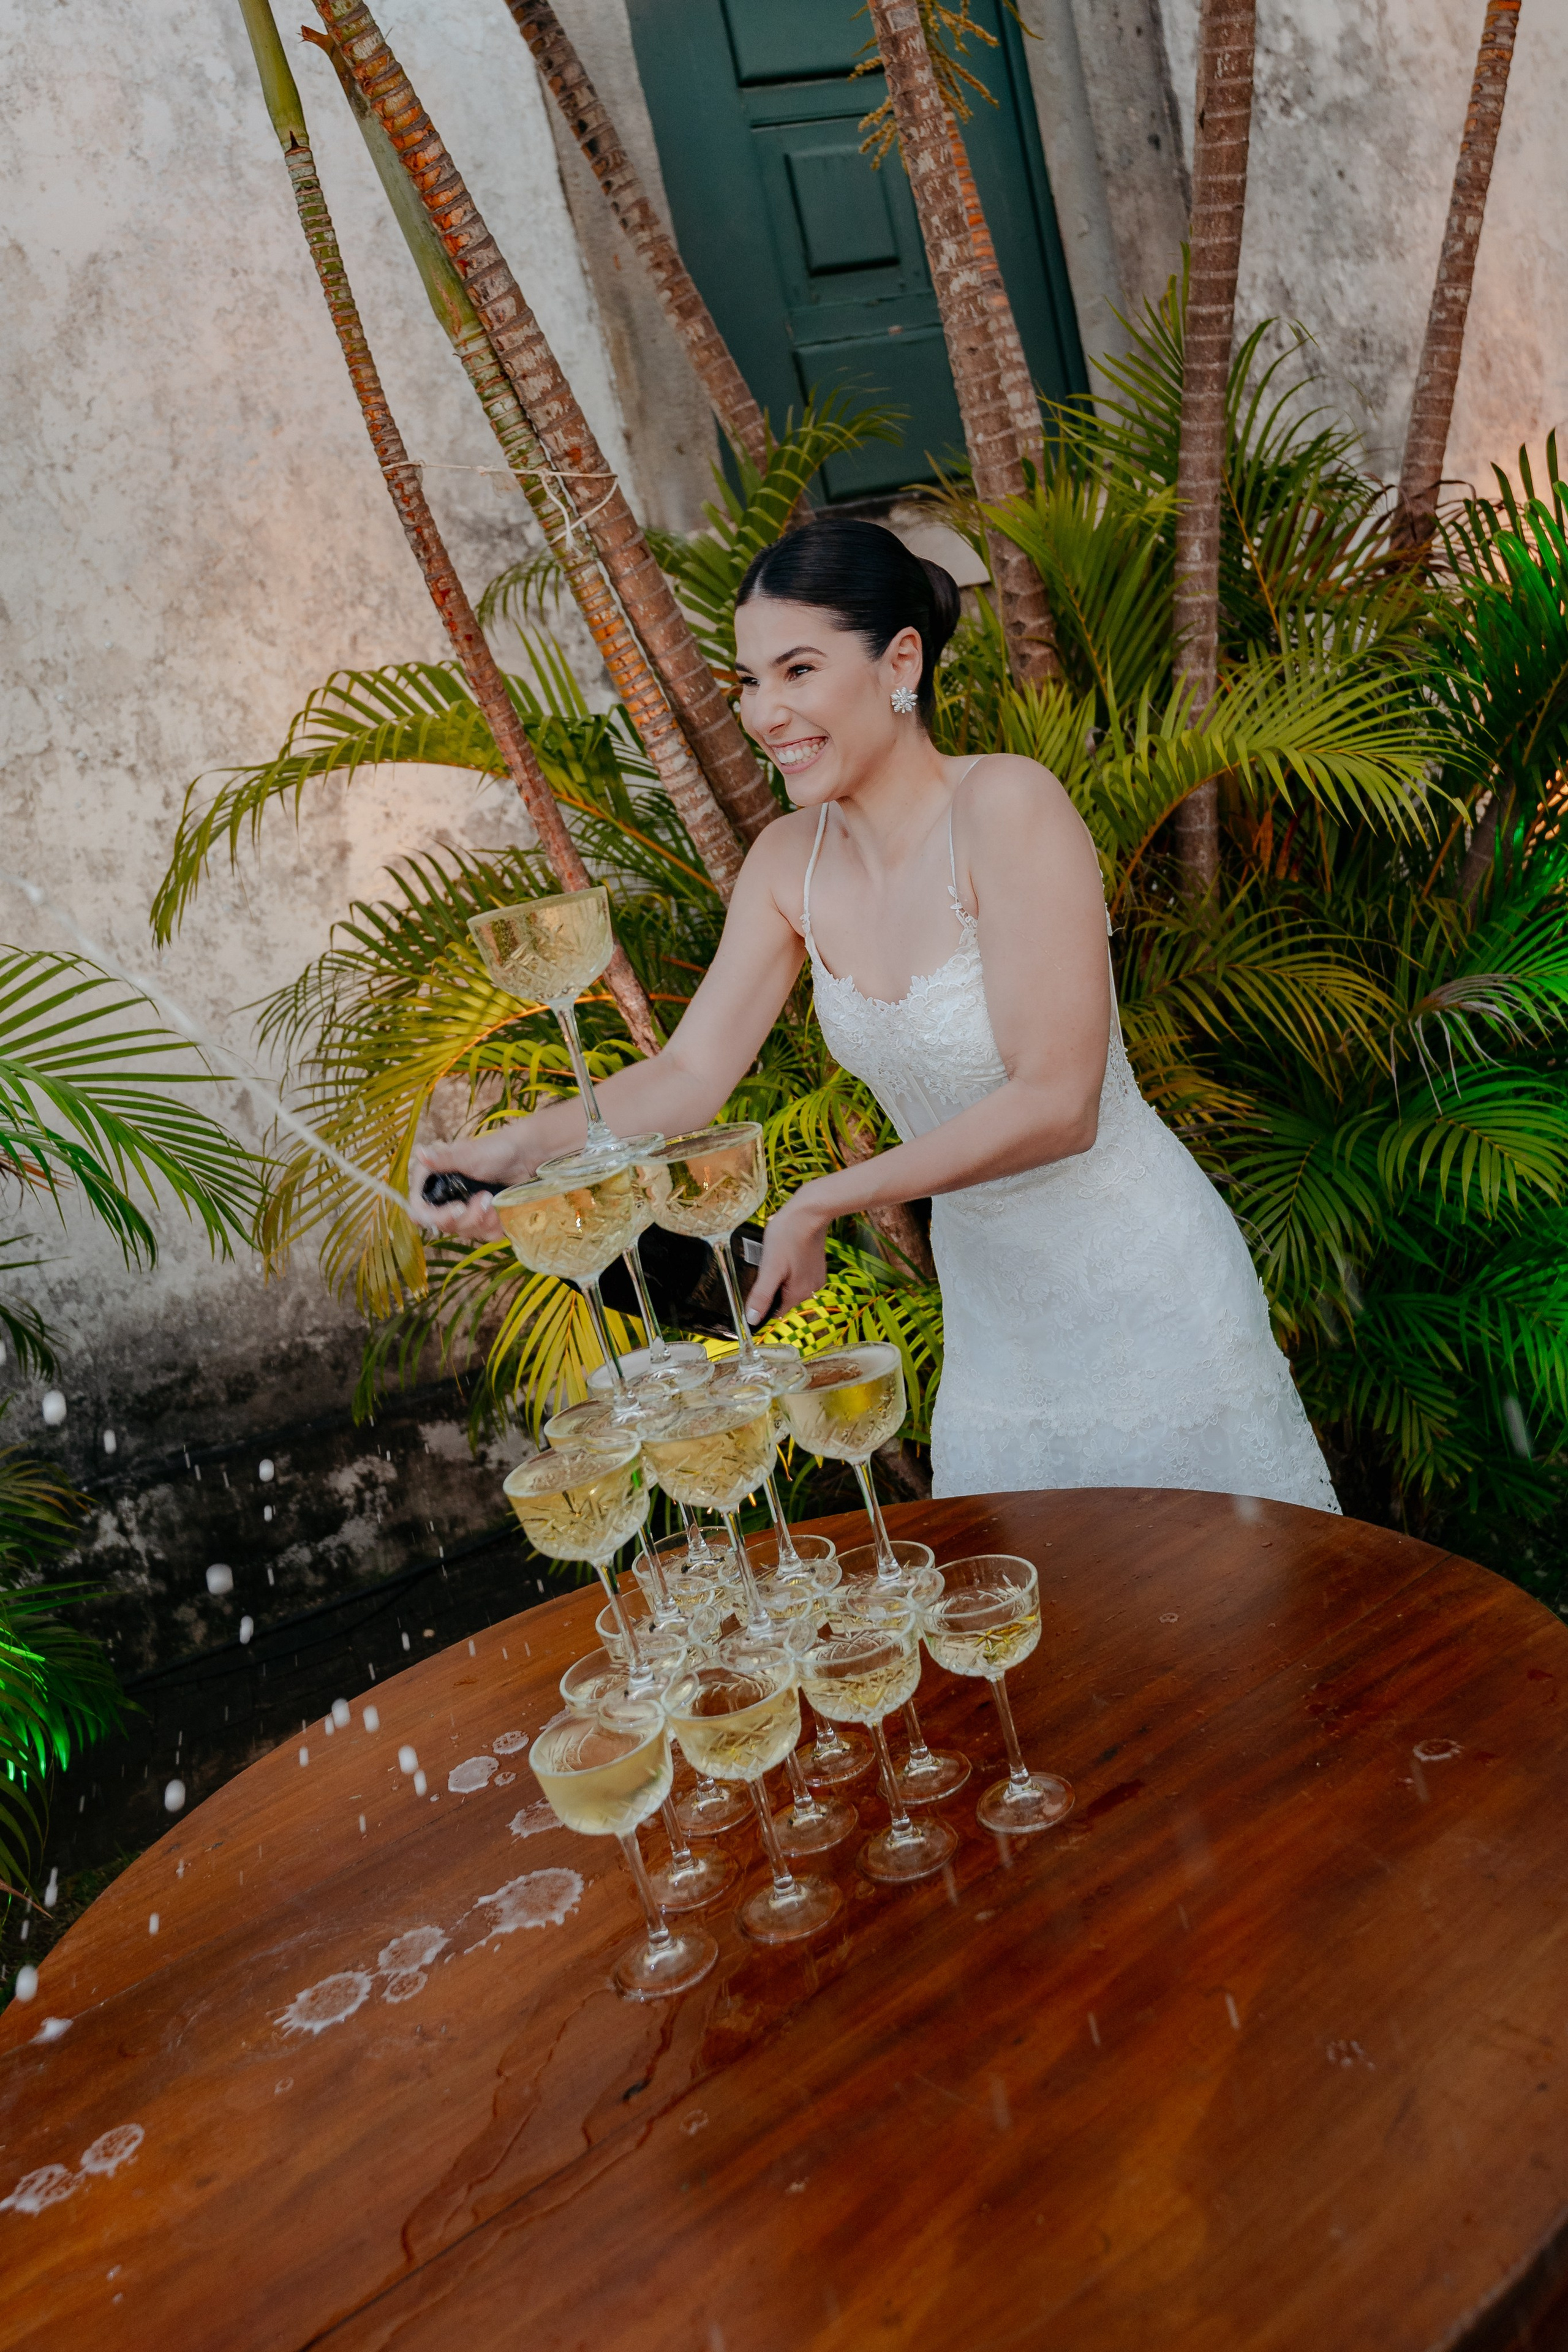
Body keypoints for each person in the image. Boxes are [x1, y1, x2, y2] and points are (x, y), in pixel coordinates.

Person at [413, 516, 1338, 1512]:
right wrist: (513, 1155)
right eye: (750, 681)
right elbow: (688, 1076)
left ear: (900, 661)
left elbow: (1059, 1103)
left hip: (1147, 1290)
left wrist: (823, 1200)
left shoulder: (1008, 806)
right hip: (996, 1328)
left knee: (1207, 1623)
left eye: (799, 670)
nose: (766, 712)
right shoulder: (787, 865)